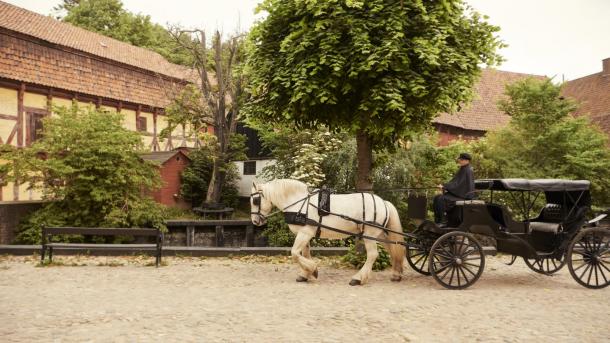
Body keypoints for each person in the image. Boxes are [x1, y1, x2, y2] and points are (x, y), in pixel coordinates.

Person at [433, 153, 475, 225]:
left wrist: (444, 186)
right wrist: (444, 186)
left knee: (441, 199)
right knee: (437, 197)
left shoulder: (468, 170)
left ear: (467, 161)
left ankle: (443, 221)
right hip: (459, 193)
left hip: (464, 196)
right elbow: (455, 182)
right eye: (460, 159)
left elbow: (458, 184)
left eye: (461, 160)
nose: (459, 161)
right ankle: (438, 220)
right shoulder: (463, 169)